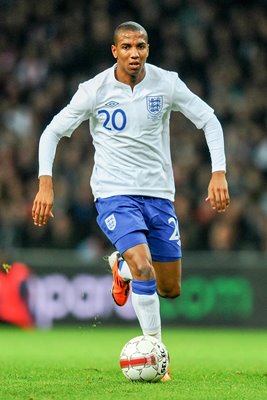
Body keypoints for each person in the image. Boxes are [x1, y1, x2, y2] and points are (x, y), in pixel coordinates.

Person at [32, 21, 230, 381]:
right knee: (144, 267)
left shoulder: (166, 83)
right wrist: (46, 183)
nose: (134, 53)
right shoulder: (94, 90)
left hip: (159, 196)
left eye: (140, 46)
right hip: (113, 193)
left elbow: (209, 120)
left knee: (169, 289)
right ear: (114, 51)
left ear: (148, 49)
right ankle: (158, 355)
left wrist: (219, 171)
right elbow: (52, 132)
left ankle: (119, 268)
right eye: (126, 47)